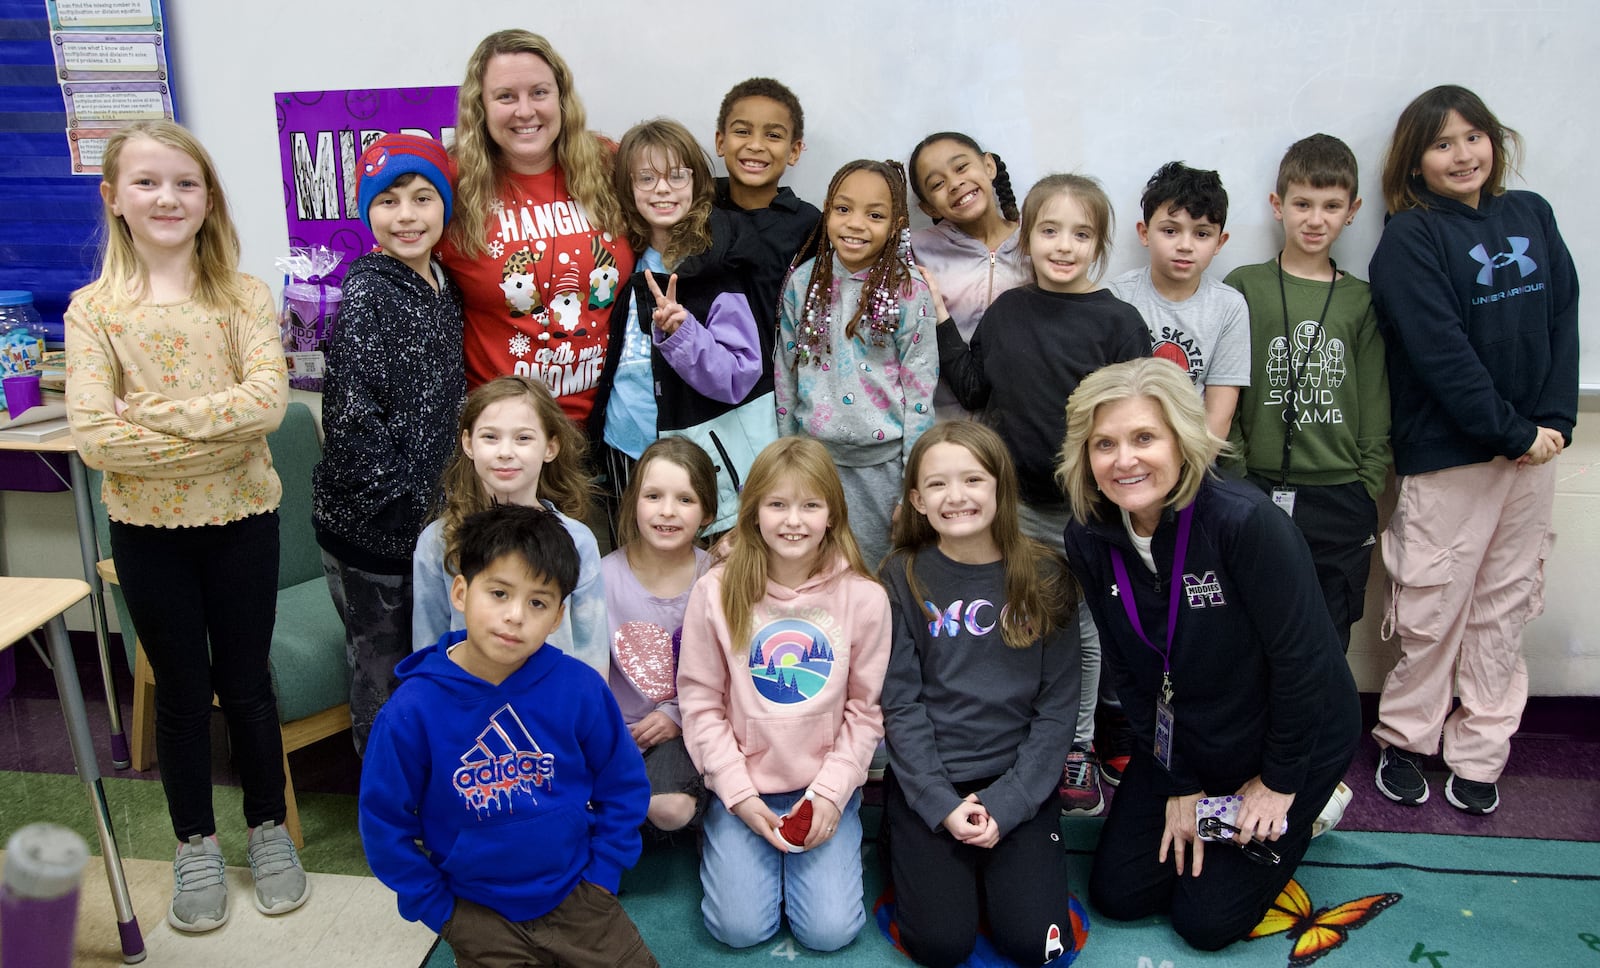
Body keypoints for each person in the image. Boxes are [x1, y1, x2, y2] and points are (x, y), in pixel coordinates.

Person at [65, 120, 306, 931]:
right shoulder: (94, 313)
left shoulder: (243, 297)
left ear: (208, 199)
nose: (166, 197)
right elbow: (98, 440)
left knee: (246, 681)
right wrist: (214, 433)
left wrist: (154, 416)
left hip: (244, 522)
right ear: (114, 197)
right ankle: (194, 841)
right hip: (147, 533)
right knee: (179, 690)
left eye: (185, 183)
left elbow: (265, 407)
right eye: (147, 182)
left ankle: (268, 829)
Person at [1058, 357, 1360, 952]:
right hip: (1193, 732)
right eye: (1105, 444)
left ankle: (1315, 804)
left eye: (1145, 438)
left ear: (1182, 440)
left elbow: (1304, 667)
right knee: (1120, 894)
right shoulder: (1088, 534)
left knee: (1205, 922)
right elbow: (1129, 671)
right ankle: (1224, 807)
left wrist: (1278, 782)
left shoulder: (1245, 522)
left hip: (1291, 734)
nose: (1125, 460)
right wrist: (1180, 784)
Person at [1367, 85, 1577, 817]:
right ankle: (1405, 740)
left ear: (1495, 140)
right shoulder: (1409, 237)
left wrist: (1552, 422)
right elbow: (1439, 353)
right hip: (1450, 454)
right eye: (1442, 143)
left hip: (1533, 454)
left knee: (1505, 608)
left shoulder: (1532, 214)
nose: (1462, 155)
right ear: (1414, 162)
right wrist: (1510, 431)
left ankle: (1481, 751)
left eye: (1473, 137)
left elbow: (1564, 316)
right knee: (1432, 608)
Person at [937, 172, 1150, 818]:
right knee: (1013, 619)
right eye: (1050, 231)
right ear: (1026, 238)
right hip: (1014, 506)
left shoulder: (1118, 321)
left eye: (1081, 234)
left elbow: (1135, 417)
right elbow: (973, 389)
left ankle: (1075, 746)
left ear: (1099, 244)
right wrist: (942, 318)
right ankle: (1012, 740)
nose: (1063, 245)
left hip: (1089, 510)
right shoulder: (1008, 311)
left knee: (1083, 630)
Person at [361, 504, 657, 967]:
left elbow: (623, 785)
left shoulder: (579, 688)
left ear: (557, 617)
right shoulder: (411, 711)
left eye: (538, 602)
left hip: (579, 895)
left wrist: (604, 874)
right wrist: (442, 913)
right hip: (477, 912)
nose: (515, 615)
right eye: (499, 593)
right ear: (461, 592)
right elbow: (384, 826)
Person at [880, 421, 1082, 967]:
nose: (956, 496)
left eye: (972, 479)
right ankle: (911, 845)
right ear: (917, 500)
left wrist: (1009, 803)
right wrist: (939, 803)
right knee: (940, 946)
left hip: (1017, 778)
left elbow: (1057, 709)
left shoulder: (1047, 575)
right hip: (931, 781)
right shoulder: (901, 575)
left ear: (1000, 487)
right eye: (937, 484)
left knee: (1034, 946)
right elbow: (899, 703)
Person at [678, 437, 892, 952]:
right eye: (777, 504)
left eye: (810, 505)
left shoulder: (866, 599)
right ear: (753, 512)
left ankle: (823, 843)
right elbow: (701, 704)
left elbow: (866, 713)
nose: (793, 521)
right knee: (738, 929)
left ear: (832, 515)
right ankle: (728, 841)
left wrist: (831, 793)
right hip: (741, 787)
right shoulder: (716, 590)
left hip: (823, 786)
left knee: (828, 932)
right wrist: (737, 794)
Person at [313, 133, 465, 755]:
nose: (406, 215)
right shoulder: (368, 291)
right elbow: (352, 423)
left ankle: (425, 785)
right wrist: (411, 510)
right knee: (382, 677)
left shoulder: (444, 284)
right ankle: (384, 796)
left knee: (428, 667)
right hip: (371, 534)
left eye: (423, 198)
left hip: (430, 527)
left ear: (445, 205)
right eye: (388, 200)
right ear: (367, 211)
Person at [1223, 133, 1389, 652]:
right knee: (1253, 626)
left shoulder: (1360, 300)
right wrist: (1238, 471)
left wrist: (1368, 481)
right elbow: (1227, 386)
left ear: (1352, 211)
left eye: (1331, 206)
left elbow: (1374, 399)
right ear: (1278, 206)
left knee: (1328, 632)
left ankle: (1323, 711)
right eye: (1302, 204)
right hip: (1258, 486)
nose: (1315, 219)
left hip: (1341, 493)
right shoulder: (1245, 286)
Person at [438, 29, 634, 430]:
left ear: (561, 98)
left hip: (610, 427)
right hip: (506, 437)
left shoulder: (609, 165)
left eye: (539, 93)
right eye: (505, 96)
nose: (525, 111)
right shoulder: (452, 184)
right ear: (481, 106)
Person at [596, 118, 769, 534]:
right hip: (626, 449)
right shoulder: (620, 261)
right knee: (635, 564)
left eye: (676, 175)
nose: (662, 189)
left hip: (696, 457)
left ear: (697, 182)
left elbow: (738, 376)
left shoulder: (715, 266)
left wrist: (684, 334)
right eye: (646, 178)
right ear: (627, 189)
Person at [775, 159, 937, 567]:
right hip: (814, 462)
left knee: (875, 574)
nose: (855, 224)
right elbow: (785, 375)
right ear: (827, 210)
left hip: (883, 470)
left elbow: (921, 393)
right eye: (843, 209)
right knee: (814, 569)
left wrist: (912, 487)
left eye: (875, 215)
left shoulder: (908, 290)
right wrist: (787, 460)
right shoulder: (803, 282)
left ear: (896, 224)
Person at [412, 376, 607, 677]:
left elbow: (592, 652)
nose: (505, 452)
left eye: (523, 438)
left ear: (550, 447)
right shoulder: (437, 541)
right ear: (468, 443)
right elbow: (427, 645)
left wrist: (585, 705)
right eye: (490, 437)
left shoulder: (578, 540)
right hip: (466, 698)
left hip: (553, 700)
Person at [601, 437, 719, 834]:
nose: (667, 511)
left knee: (669, 809)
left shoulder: (715, 578)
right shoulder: (601, 577)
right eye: (653, 496)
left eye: (685, 499)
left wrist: (677, 716)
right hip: (615, 732)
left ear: (707, 513)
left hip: (687, 729)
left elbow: (727, 673)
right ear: (634, 502)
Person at [1109, 161, 1250, 439]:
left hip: (1195, 452)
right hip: (1127, 448)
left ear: (1220, 242)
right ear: (1144, 233)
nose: (1185, 246)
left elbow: (1218, 417)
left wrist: (1190, 466)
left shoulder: (1229, 307)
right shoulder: (1118, 297)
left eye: (1201, 234)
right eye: (1170, 231)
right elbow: (1104, 397)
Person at [907, 131, 1031, 420]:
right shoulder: (915, 251)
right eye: (937, 184)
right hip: (944, 429)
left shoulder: (1036, 242)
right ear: (928, 207)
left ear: (989, 166)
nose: (955, 184)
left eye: (961, 167)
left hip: (1018, 426)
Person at [712, 77, 822, 338]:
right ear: (720, 142)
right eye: (742, 131)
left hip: (773, 362)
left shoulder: (809, 224)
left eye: (773, 135)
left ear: (794, 151)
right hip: (693, 358)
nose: (755, 145)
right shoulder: (696, 205)